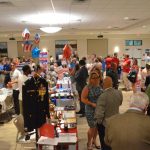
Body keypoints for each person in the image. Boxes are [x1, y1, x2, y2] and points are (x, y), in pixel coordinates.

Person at [94, 76, 123, 150]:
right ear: (112, 84)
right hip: (116, 121)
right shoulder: (119, 93)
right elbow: (120, 103)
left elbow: (99, 113)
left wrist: (99, 122)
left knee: (105, 144)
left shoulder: (103, 96)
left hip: (105, 124)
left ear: (103, 84)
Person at [81, 71, 103, 150]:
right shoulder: (87, 87)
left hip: (99, 110)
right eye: (93, 78)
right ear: (90, 79)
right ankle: (89, 142)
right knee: (92, 127)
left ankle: (95, 140)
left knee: (97, 126)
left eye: (97, 77)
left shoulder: (100, 86)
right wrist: (91, 103)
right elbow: (83, 99)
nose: (95, 79)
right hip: (90, 109)